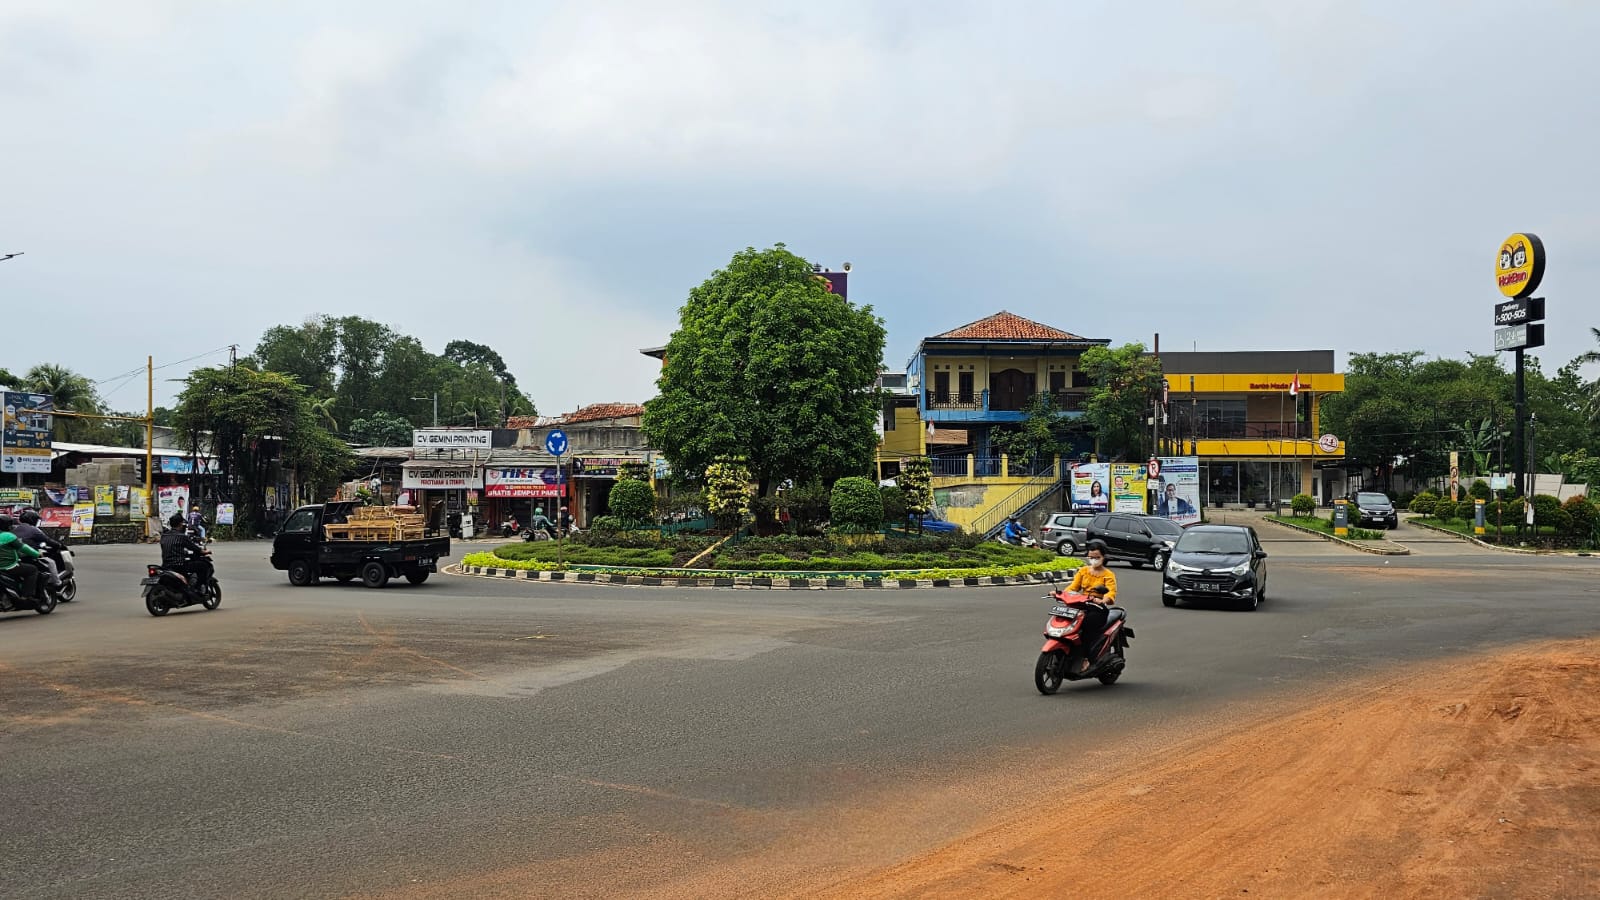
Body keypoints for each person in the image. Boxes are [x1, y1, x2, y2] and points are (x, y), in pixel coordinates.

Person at [1064, 541, 1118, 674]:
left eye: (1096, 557)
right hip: (1082, 604)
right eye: (1091, 557)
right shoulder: (1083, 571)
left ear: (1103, 557)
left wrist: (1102, 599)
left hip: (1097, 608)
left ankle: (1086, 658)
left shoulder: (1108, 575)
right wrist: (1061, 593)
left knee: (1085, 628)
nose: (1093, 560)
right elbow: (1073, 587)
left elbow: (1111, 592)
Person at [13, 510, 64, 592]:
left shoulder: (14, 530)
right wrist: (59, 545)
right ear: (32, 520)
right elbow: (48, 540)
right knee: (51, 563)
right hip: (29, 557)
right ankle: (57, 583)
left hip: (16, 558)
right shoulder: (33, 530)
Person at [161, 513, 213, 590]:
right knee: (204, 566)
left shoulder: (164, 535)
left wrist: (184, 552)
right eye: (182, 523)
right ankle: (199, 587)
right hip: (179, 565)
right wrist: (204, 551)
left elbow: (172, 548)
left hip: (165, 565)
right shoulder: (181, 536)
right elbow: (194, 548)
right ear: (180, 524)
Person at [0, 515, 44, 602]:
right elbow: (24, 548)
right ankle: (27, 596)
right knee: (33, 570)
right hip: (8, 566)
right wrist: (37, 554)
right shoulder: (8, 536)